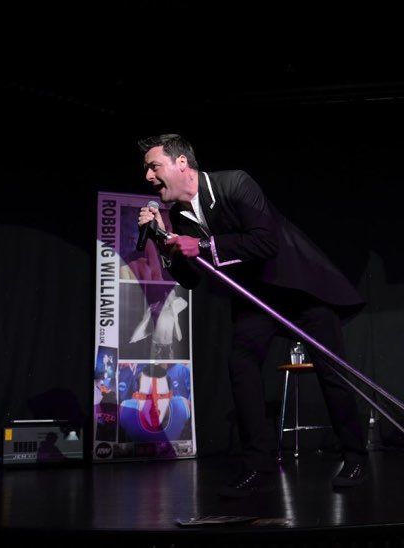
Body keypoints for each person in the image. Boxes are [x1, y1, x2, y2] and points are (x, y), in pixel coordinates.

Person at [136, 134, 368, 497]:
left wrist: (202, 244)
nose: (148, 176)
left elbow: (266, 241)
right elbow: (191, 278)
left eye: (154, 166)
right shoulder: (179, 215)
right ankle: (258, 467)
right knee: (241, 364)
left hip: (296, 288)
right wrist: (159, 240)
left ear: (181, 164)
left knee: (331, 371)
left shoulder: (235, 184)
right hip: (255, 297)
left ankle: (355, 458)